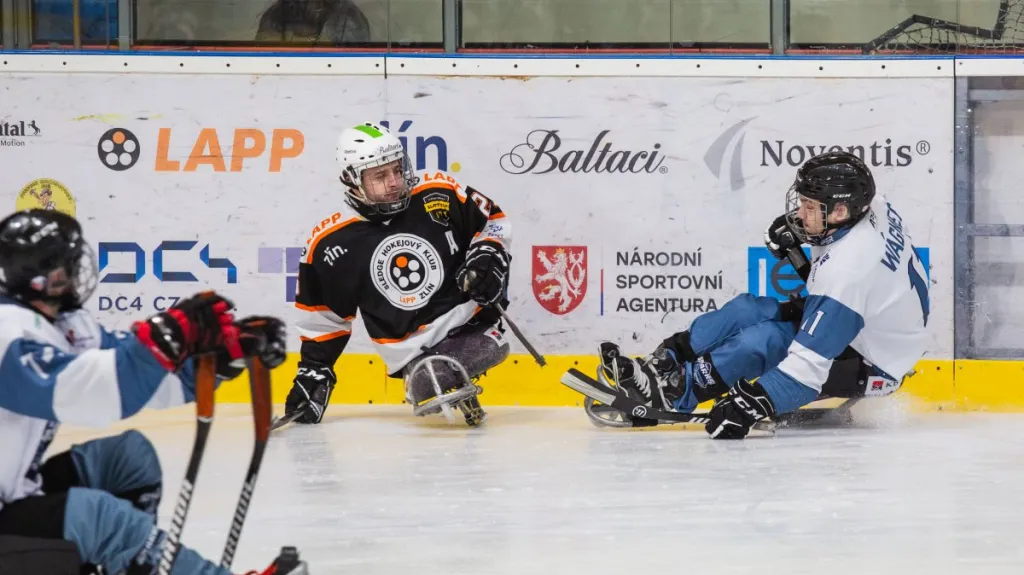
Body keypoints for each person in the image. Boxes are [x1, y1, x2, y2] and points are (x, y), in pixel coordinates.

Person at [0, 209, 307, 574]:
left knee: (130, 458)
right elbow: (89, 393)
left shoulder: (62, 323)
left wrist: (225, 358)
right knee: (97, 517)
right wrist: (160, 342)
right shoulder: (8, 333)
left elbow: (141, 377)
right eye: (67, 263)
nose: (77, 270)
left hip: (17, 491)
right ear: (42, 277)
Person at [597, 151, 930, 439]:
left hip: (874, 362)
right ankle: (663, 365)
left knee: (763, 340)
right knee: (746, 309)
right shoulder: (873, 207)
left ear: (840, 211)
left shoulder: (848, 272)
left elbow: (806, 370)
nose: (800, 215)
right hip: (870, 323)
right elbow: (837, 280)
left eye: (810, 207)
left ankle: (674, 394)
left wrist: (753, 404)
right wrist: (799, 248)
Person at [284, 122, 512, 427]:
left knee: (448, 368)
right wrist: (315, 369)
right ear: (351, 179)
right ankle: (425, 373)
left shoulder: (438, 191)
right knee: (431, 378)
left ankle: (443, 365)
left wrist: (487, 255)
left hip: (473, 325)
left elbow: (493, 222)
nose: (394, 182)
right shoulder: (330, 243)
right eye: (380, 175)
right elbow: (323, 317)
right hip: (412, 354)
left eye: (396, 169)